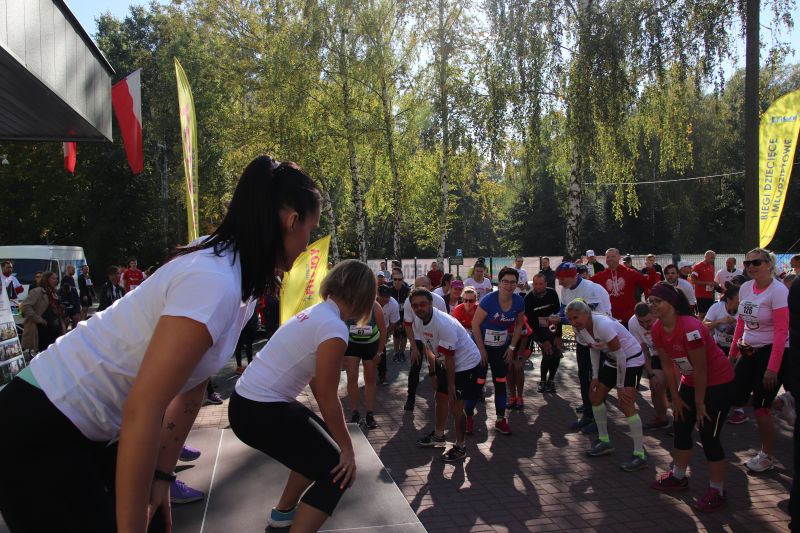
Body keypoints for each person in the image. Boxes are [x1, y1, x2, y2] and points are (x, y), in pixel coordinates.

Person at [0, 155, 321, 532]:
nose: (307, 245)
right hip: (39, 423)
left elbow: (192, 386)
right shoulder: (214, 281)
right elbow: (144, 407)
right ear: (291, 221)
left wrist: (162, 478)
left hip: (85, 426)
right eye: (310, 231)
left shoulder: (240, 282)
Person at [231, 260, 374, 530]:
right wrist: (348, 450)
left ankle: (283, 513)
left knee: (322, 446)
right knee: (339, 471)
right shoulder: (334, 328)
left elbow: (318, 385)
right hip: (258, 410)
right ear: (364, 296)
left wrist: (338, 440)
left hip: (248, 404)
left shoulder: (318, 313)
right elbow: (328, 396)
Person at [648, 282, 735, 512]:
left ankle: (717, 491)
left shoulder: (690, 327)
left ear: (672, 304)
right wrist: (675, 398)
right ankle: (678, 476)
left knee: (708, 435)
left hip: (718, 383)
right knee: (681, 426)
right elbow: (668, 366)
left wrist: (699, 402)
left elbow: (702, 368)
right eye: (650, 301)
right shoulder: (657, 328)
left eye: (658, 301)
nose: (652, 305)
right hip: (690, 381)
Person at [566, 299, 648, 471]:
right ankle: (604, 441)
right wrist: (595, 377)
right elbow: (593, 348)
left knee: (626, 403)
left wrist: (620, 386)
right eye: (570, 319)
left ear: (586, 314)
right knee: (595, 397)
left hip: (630, 359)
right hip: (612, 360)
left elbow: (621, 356)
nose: (573, 322)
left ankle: (640, 454)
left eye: (576, 318)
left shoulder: (603, 325)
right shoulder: (579, 329)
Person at [729, 248, 790, 473]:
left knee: (760, 407)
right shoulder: (746, 287)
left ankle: (766, 456)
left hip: (771, 350)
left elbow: (782, 332)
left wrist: (772, 368)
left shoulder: (778, 291)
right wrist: (732, 353)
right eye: (748, 263)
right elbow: (741, 323)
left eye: (757, 262)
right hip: (748, 349)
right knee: (735, 395)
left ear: (769, 264)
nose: (751, 267)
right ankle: (783, 403)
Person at [410, 288, 482, 462]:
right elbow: (428, 347)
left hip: (466, 364)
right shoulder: (418, 321)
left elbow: (450, 358)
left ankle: (460, 446)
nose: (419, 308)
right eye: (415, 305)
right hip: (446, 361)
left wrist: (451, 385)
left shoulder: (443, 323)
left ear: (431, 304)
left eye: (423, 304)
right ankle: (439, 436)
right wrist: (433, 373)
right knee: (440, 397)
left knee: (455, 406)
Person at [554, 262, 612, 433]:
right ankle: (588, 414)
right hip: (582, 340)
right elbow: (564, 308)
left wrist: (561, 320)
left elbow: (586, 316)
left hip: (599, 340)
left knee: (597, 378)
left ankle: (598, 419)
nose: (559, 283)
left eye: (562, 279)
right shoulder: (566, 289)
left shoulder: (591, 289)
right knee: (584, 377)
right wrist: (557, 317)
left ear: (573, 276)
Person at [467, 267, 524, 435]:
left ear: (516, 284)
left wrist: (512, 347)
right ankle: (467, 416)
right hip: (481, 346)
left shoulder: (519, 301)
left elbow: (519, 325)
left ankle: (500, 420)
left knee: (500, 382)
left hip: (500, 348)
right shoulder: (489, 300)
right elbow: (475, 324)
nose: (509, 285)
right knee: (478, 382)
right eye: (505, 282)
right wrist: (481, 349)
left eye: (512, 282)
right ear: (499, 283)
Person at [403, 276, 447, 411]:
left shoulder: (439, 301)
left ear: (430, 287)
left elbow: (445, 323)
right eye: (418, 286)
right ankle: (410, 398)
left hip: (435, 337)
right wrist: (414, 347)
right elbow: (407, 324)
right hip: (418, 335)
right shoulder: (408, 301)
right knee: (415, 366)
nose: (421, 289)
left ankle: (441, 397)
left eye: (424, 286)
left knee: (440, 367)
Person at [344, 298, 387, 429]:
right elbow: (340, 326)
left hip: (371, 344)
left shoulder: (375, 306)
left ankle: (369, 414)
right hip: (352, 343)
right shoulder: (347, 303)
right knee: (352, 377)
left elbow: (383, 330)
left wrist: (379, 352)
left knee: (370, 378)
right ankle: (355, 413)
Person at [628, 303, 670, 430]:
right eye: (641, 322)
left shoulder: (664, 318)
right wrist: (651, 375)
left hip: (674, 354)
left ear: (654, 314)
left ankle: (682, 421)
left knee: (678, 391)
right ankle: (662, 418)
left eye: (648, 321)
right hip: (657, 355)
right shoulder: (632, 323)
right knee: (655, 386)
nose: (645, 325)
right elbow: (643, 351)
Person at [591, 248, 659, 322]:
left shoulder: (630, 273)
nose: (610, 259)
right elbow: (585, 285)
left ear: (619, 257)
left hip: (629, 318)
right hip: (610, 319)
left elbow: (649, 284)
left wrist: (650, 269)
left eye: (613, 256)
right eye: (608, 257)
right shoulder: (600, 276)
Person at [525, 273, 562, 393]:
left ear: (546, 284)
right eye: (536, 284)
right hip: (538, 330)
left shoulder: (552, 293)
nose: (538, 286)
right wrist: (543, 340)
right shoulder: (528, 298)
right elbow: (531, 322)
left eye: (541, 284)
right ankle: (542, 381)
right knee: (547, 353)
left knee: (556, 353)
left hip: (552, 327)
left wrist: (558, 336)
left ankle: (551, 380)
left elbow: (558, 315)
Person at [19, 272, 62, 353]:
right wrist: (38, 319)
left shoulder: (54, 292)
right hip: (43, 330)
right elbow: (25, 306)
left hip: (55, 328)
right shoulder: (38, 291)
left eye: (56, 278)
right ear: (46, 279)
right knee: (45, 353)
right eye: (53, 278)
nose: (56, 280)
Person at [376, 284, 401, 384]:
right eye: (383, 297)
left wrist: (385, 334)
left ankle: (383, 375)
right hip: (369, 328)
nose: (385, 299)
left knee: (381, 351)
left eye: (387, 297)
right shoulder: (369, 300)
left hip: (384, 328)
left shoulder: (394, 304)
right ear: (378, 295)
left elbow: (393, 322)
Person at [389, 268, 410, 363]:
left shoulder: (407, 290)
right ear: (392, 280)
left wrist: (405, 319)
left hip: (404, 314)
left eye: (399, 279)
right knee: (396, 333)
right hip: (393, 315)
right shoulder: (389, 290)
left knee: (404, 333)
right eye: (395, 279)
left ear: (402, 280)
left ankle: (402, 352)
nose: (397, 281)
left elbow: (409, 306)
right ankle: (396, 352)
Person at [692, 251, 717, 319]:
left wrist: (714, 283)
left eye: (714, 258)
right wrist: (707, 283)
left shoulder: (711, 267)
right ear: (705, 257)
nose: (713, 260)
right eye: (711, 258)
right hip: (701, 295)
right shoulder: (698, 266)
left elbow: (710, 280)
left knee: (709, 314)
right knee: (702, 314)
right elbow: (693, 280)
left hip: (710, 295)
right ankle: (698, 325)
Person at [234, 307, 260, 373]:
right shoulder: (251, 302)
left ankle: (241, 366)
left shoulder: (247, 302)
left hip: (245, 325)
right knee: (245, 345)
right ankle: (242, 366)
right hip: (246, 325)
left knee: (243, 345)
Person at [59, 266, 81, 330]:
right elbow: (62, 293)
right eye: (72, 270)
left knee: (76, 318)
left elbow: (76, 298)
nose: (74, 271)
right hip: (66, 303)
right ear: (68, 270)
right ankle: (63, 332)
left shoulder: (72, 279)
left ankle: (73, 332)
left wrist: (78, 310)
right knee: (67, 320)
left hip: (73, 303)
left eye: (74, 270)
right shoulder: (65, 279)